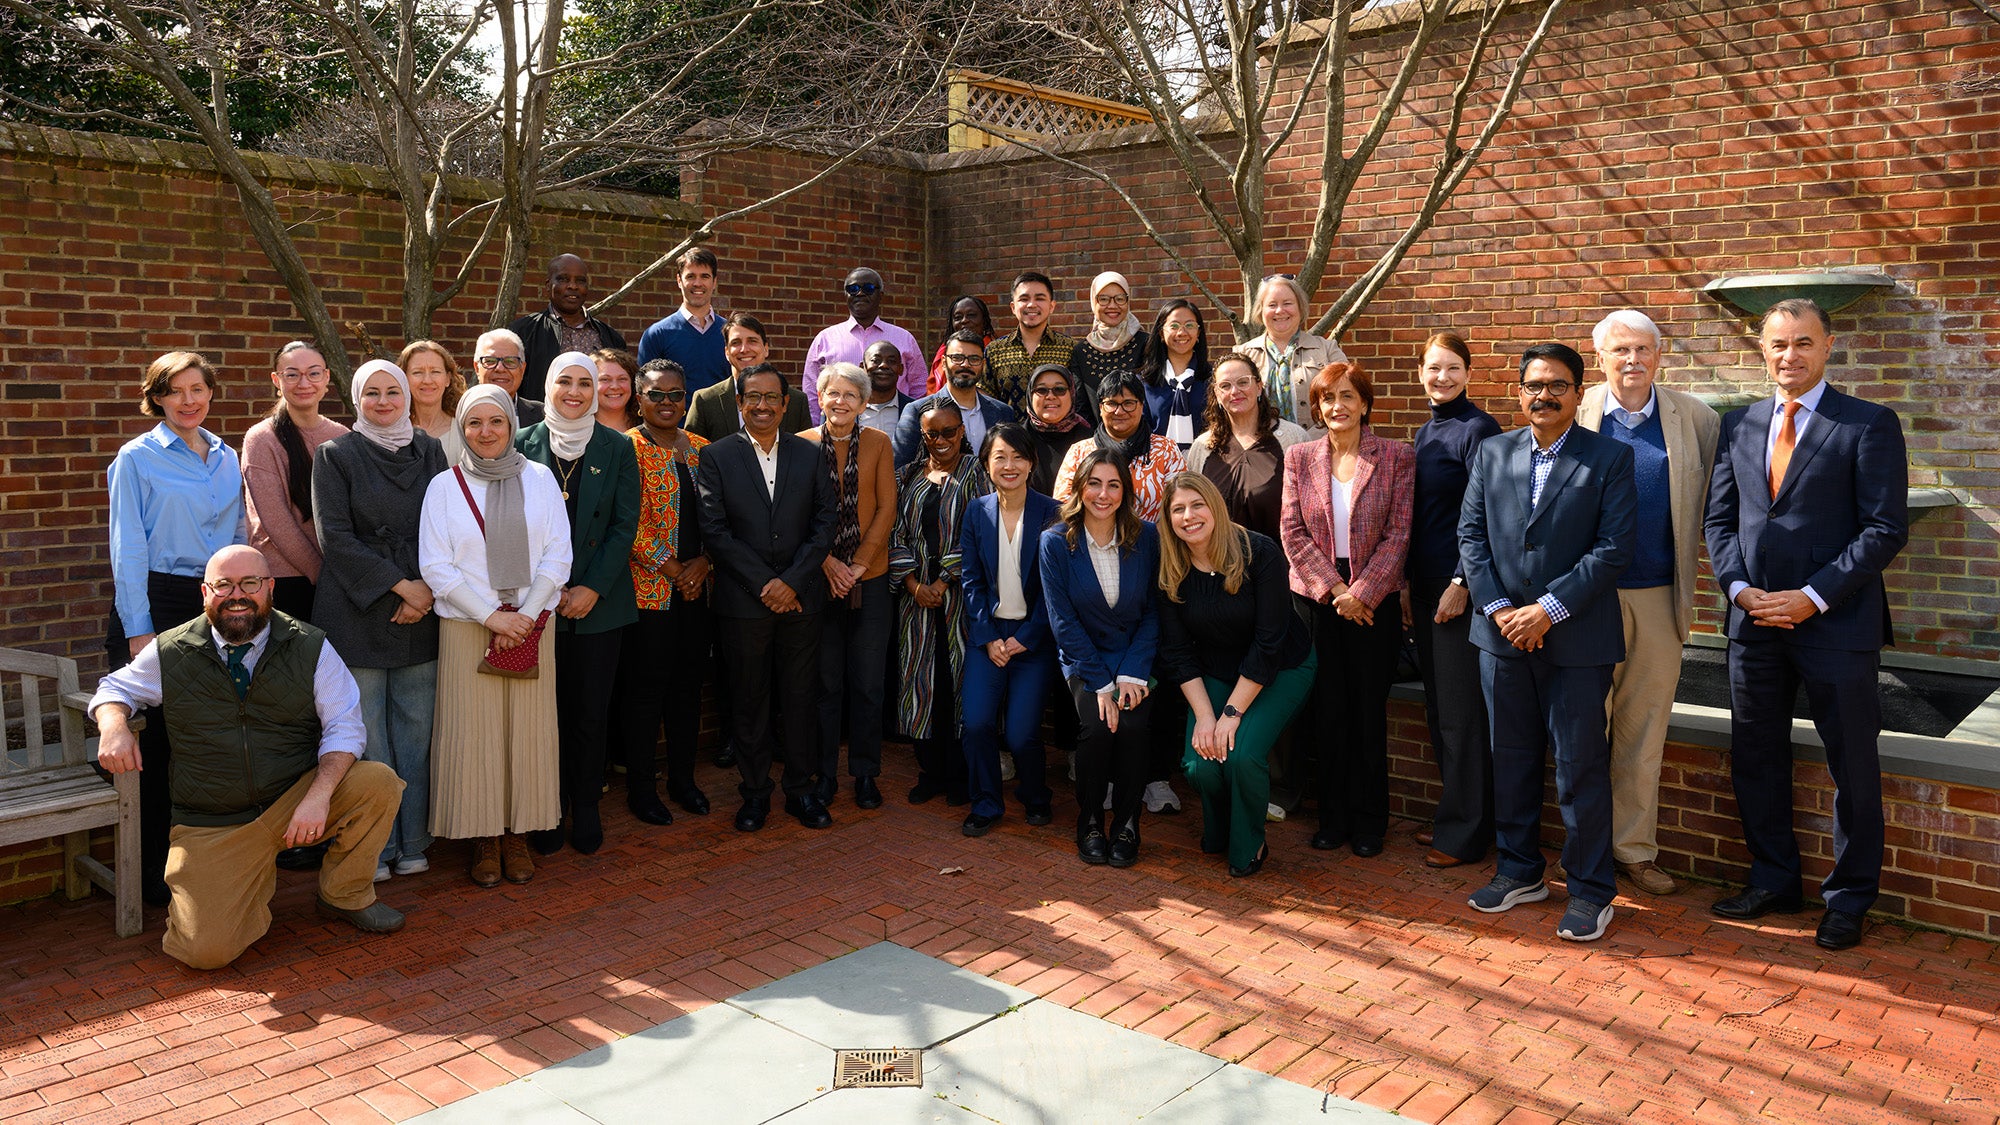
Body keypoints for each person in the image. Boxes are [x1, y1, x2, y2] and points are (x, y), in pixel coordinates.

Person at [1704, 298, 1909, 951]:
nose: (1789, 355)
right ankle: (1774, 880)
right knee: (1756, 756)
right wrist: (1739, 590)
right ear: (1762, 350)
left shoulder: (1868, 423)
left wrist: (1812, 597)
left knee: (1853, 764)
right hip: (1753, 624)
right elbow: (1719, 520)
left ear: (1827, 347)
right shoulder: (1738, 424)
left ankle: (1848, 900)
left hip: (1836, 624)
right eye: (1777, 344)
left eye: (1802, 342)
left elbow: (1884, 528)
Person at [89, 545, 405, 969]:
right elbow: (114, 688)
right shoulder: (172, 649)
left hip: (292, 802)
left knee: (376, 782)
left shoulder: (310, 645)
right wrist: (114, 726)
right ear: (205, 593)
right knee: (204, 952)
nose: (237, 595)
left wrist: (318, 795)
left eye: (250, 583)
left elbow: (345, 727)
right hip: (213, 821)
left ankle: (344, 895)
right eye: (224, 585)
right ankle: (246, 885)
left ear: (270, 588)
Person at [1458, 342, 1636, 943]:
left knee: (1580, 768)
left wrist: (1547, 610)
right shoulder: (1493, 451)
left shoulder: (1609, 457)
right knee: (1510, 760)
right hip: (1501, 637)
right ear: (1519, 393)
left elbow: (1613, 548)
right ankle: (1518, 870)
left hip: (1577, 640)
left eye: (1558, 385)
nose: (1545, 395)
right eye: (1534, 385)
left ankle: (1590, 890)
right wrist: (1502, 609)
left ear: (1578, 393)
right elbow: (1471, 536)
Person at [1576, 310, 1721, 896]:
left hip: (1660, 597)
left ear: (1659, 355)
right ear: (1600, 358)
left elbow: (1717, 506)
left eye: (1643, 349)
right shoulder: (1576, 410)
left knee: (1642, 735)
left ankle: (1633, 850)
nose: (1632, 360)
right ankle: (1583, 851)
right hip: (1585, 600)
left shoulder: (1697, 418)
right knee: (1582, 731)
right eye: (1620, 350)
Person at [106, 351, 248, 906]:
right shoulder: (136, 458)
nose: (189, 401)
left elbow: (237, 535)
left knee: (206, 736)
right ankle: (150, 875)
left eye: (198, 389)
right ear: (157, 398)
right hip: (156, 601)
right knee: (159, 741)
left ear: (211, 392)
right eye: (175, 391)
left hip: (215, 601)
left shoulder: (227, 457)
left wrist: (239, 601)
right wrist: (139, 628)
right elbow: (128, 548)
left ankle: (203, 865)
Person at [418, 385, 571, 887]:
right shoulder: (444, 486)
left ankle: (517, 834)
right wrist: (491, 617)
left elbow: (558, 555)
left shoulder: (541, 479)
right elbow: (436, 566)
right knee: (474, 735)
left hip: (532, 625)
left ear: (511, 425)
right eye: (474, 423)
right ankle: (483, 837)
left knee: (528, 734)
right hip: (468, 628)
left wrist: (523, 615)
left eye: (496, 422)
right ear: (462, 429)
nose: (485, 432)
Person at [311, 360, 449, 883]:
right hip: (359, 608)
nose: (384, 401)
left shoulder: (430, 450)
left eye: (393, 391)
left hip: (423, 605)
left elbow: (446, 524)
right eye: (372, 393)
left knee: (416, 733)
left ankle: (413, 842)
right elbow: (335, 538)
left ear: (408, 397)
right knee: (366, 735)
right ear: (356, 399)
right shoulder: (335, 455)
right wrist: (400, 586)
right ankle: (376, 846)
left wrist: (424, 590)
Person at [696, 366, 839, 832]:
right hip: (743, 603)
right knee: (749, 700)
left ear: (785, 403)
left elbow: (825, 522)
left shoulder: (810, 454)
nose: (762, 406)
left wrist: (791, 583)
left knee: (800, 699)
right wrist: (766, 584)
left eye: (771, 397)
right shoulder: (716, 456)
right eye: (752, 397)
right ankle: (755, 793)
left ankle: (800, 790)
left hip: (801, 601)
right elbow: (715, 530)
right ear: (740, 404)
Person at [1279, 363, 1414, 860]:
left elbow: (1399, 533)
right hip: (1318, 599)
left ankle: (1369, 821)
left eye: (1347, 396)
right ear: (1317, 407)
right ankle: (1332, 818)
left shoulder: (1396, 456)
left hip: (1373, 601)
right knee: (1327, 710)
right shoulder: (1299, 457)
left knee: (1366, 713)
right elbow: (1291, 531)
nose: (1337, 406)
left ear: (1365, 403)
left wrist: (1363, 593)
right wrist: (1337, 590)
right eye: (1328, 398)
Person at [1158, 473, 1315, 877]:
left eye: (1197, 505)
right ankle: (1222, 826)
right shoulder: (1170, 568)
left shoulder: (1259, 552)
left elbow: (1268, 642)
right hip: (1215, 669)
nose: (1189, 516)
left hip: (1280, 666)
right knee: (1201, 762)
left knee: (1242, 755)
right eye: (1178, 509)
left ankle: (1248, 844)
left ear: (1215, 506)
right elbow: (1178, 652)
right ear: (1168, 519)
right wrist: (1205, 716)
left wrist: (1230, 714)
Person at [517, 352, 641, 856]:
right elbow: (510, 525)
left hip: (599, 604)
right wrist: (548, 590)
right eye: (564, 381)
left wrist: (591, 587)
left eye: (584, 383)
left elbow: (623, 525)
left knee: (590, 711)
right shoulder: (521, 442)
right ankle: (549, 806)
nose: (574, 392)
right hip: (535, 604)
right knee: (541, 715)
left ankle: (586, 804)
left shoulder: (617, 446)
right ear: (547, 386)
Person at [1404, 332, 1503, 870]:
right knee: (1440, 707)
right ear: (1420, 373)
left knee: (1462, 714)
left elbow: (1486, 513)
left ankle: (1466, 833)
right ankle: (1459, 815)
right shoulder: (1426, 431)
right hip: (1423, 589)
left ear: (1468, 372)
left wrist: (1463, 583)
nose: (1441, 378)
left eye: (1452, 368)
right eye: (1433, 368)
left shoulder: (1479, 429)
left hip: (1456, 591)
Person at [1041, 448, 1161, 868]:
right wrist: (1102, 685)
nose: (1103, 494)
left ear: (1125, 491)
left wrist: (1132, 673)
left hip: (1133, 659)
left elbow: (1153, 611)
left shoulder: (1147, 537)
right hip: (1084, 659)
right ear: (1079, 488)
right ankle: (1090, 819)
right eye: (1094, 483)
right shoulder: (1056, 542)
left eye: (1113, 485)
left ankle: (1127, 822)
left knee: (1133, 727)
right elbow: (1063, 621)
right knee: (1096, 727)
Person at [613, 360, 713, 823]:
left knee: (687, 688)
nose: (667, 402)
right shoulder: (626, 448)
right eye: (656, 394)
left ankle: (683, 780)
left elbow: (723, 516)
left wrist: (704, 563)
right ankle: (641, 788)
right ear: (640, 400)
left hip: (699, 589)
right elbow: (626, 520)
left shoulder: (703, 449)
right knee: (645, 691)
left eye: (676, 394)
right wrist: (675, 569)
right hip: (649, 591)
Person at [802, 362, 897, 811]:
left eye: (850, 395)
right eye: (833, 393)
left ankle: (865, 773)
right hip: (818, 581)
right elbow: (797, 514)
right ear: (820, 398)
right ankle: (824, 775)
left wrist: (857, 565)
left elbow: (886, 508)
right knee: (825, 684)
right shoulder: (801, 444)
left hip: (869, 580)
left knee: (868, 683)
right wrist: (827, 564)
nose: (840, 402)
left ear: (863, 403)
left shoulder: (879, 443)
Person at [959, 423, 1062, 834]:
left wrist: (1027, 637)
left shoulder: (1053, 513)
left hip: (1033, 637)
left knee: (1021, 735)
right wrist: (988, 637)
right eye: (1000, 457)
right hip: (988, 636)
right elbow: (971, 581)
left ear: (1032, 462)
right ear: (986, 463)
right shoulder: (976, 511)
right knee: (977, 724)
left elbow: (1055, 588)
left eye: (1018, 457)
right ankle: (986, 803)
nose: (1009, 465)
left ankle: (1035, 796)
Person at [891, 401, 990, 810]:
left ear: (962, 432)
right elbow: (895, 532)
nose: (941, 440)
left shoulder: (976, 473)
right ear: (923, 436)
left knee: (957, 682)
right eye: (933, 433)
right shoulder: (907, 476)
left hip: (960, 596)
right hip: (915, 600)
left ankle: (960, 775)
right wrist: (914, 584)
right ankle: (929, 771)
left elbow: (980, 530)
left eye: (949, 431)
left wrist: (943, 579)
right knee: (921, 681)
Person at [242, 341, 348, 621]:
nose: (304, 383)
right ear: (276, 380)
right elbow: (276, 521)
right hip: (285, 580)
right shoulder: (261, 439)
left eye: (313, 373)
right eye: (292, 374)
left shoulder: (342, 436)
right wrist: (321, 574)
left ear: (326, 378)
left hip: (338, 577)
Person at [1185, 351, 1311, 542]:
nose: (1235, 391)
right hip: (1219, 557)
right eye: (1225, 386)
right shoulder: (1202, 447)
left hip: (1279, 557)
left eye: (1243, 382)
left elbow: (1310, 510)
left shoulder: (1293, 439)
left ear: (1259, 387)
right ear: (1217, 394)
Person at [1054, 371, 1188, 523]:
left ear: (1141, 406)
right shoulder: (1079, 452)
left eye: (1128, 403)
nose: (1119, 411)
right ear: (1100, 408)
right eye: (1111, 404)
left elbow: (1181, 504)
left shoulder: (1166, 450)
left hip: (1153, 536)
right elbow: (1063, 508)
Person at [802, 267, 927, 423]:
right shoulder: (825, 339)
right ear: (846, 295)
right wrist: (817, 429)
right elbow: (812, 393)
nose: (860, 293)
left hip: (896, 427)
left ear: (880, 295)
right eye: (853, 289)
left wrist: (912, 425)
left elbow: (919, 389)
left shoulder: (904, 338)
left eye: (868, 288)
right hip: (840, 429)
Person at [509, 254, 628, 395]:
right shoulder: (523, 332)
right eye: (563, 279)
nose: (573, 286)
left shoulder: (611, 337)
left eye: (580, 281)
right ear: (548, 285)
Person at [1241, 275, 1350, 428]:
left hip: (1318, 441)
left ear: (1300, 307)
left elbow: (1347, 399)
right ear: (1261, 310)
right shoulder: (1243, 355)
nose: (1280, 310)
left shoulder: (1328, 350)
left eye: (1287, 303)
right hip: (1260, 442)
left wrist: (1310, 439)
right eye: (1272, 305)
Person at [895, 330, 1016, 467]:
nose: (965, 364)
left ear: (983, 364)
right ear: (944, 362)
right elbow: (900, 467)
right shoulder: (917, 410)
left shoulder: (1003, 412)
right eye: (957, 358)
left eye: (974, 359)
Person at [684, 315, 810, 438]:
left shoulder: (796, 401)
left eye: (752, 341)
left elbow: (805, 449)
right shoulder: (705, 401)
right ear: (727, 352)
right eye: (736, 343)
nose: (744, 349)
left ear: (766, 348)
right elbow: (691, 450)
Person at [986, 272, 1080, 417]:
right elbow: (986, 403)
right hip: (1008, 431)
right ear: (1013, 307)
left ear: (1052, 306)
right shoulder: (994, 351)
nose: (1031, 304)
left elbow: (1078, 401)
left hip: (1058, 431)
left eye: (1040, 298)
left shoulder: (1070, 348)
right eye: (1024, 299)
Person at [637, 248, 731, 394]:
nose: (697, 283)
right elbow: (645, 392)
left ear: (714, 282)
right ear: (679, 280)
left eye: (705, 276)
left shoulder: (731, 333)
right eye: (690, 276)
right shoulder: (657, 335)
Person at [1140, 299, 1211, 452]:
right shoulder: (1144, 382)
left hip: (1205, 462)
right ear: (1161, 333)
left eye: (1189, 325)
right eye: (1174, 326)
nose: (1182, 333)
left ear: (1198, 332)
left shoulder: (1213, 380)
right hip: (1154, 463)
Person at [1069, 272, 1149, 398]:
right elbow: (1080, 402)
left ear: (1128, 302)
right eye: (1104, 299)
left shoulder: (1146, 343)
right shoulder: (1081, 351)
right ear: (1093, 302)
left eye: (1120, 299)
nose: (1112, 306)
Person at [1019, 363, 1094, 495]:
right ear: (1030, 395)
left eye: (1059, 389)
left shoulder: (1089, 440)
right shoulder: (1017, 439)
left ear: (1072, 393)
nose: (1050, 396)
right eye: (1041, 390)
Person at [401, 339, 467, 463]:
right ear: (404, 378)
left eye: (435, 372)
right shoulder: (393, 431)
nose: (427, 380)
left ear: (447, 379)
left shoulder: (464, 433)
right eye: (417, 372)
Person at [473, 327, 543, 425]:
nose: (500, 368)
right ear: (477, 368)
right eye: (490, 361)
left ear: (522, 369)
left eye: (510, 361)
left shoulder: (543, 416)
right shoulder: (457, 414)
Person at [928, 295, 995, 393]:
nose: (964, 320)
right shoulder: (943, 353)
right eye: (958, 317)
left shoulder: (995, 352)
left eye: (971, 315)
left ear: (984, 320)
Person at [860, 341, 915, 437]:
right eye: (876, 360)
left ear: (901, 369)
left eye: (891, 361)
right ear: (862, 368)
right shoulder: (847, 408)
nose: (884, 365)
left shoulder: (915, 410)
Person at [593, 347, 641, 432]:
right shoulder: (578, 427)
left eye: (622, 379)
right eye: (605, 379)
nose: (615, 386)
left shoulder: (649, 427)